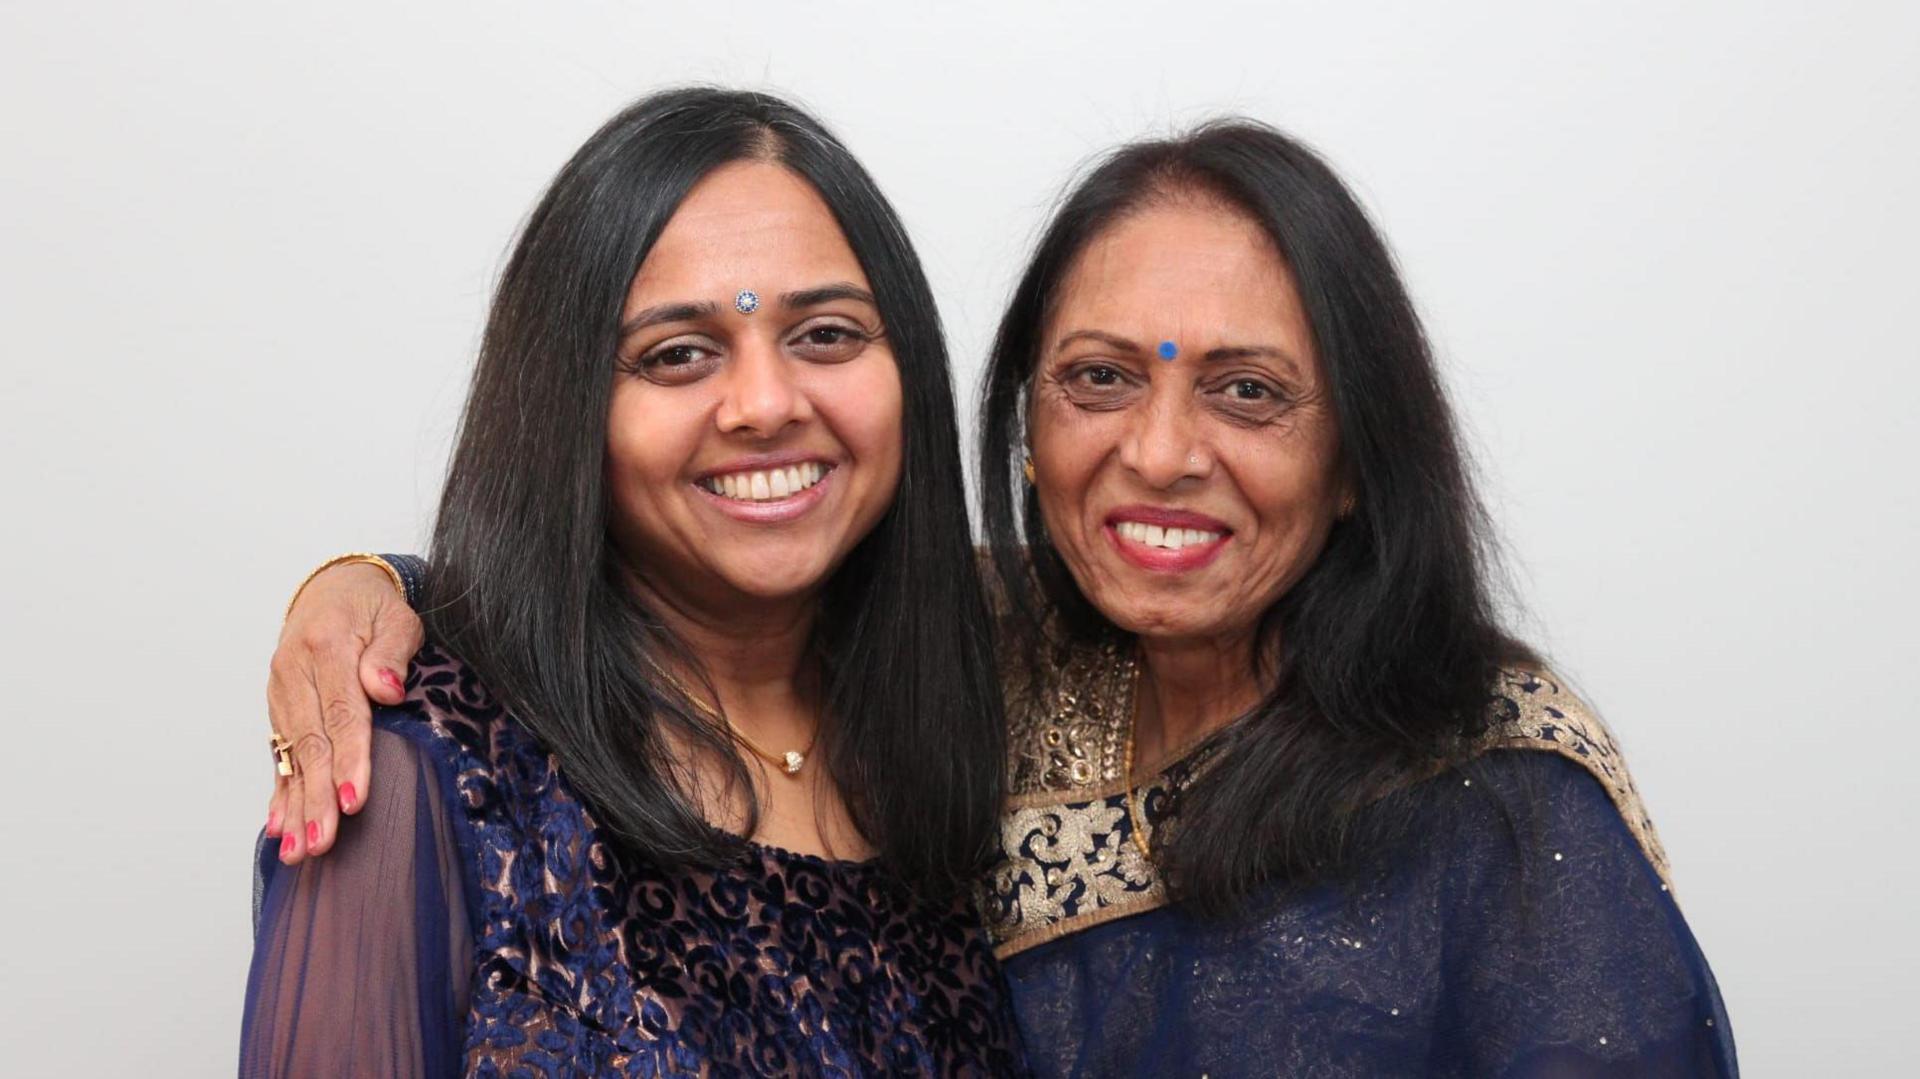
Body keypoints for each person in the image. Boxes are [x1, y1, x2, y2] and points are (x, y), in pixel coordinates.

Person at [266, 120, 1737, 1076]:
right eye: (1101, 377)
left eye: (1249, 390)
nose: (1161, 452)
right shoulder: (973, 672)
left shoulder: (1498, 806)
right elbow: (635, 579)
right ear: (1027, 424)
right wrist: (376, 589)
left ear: (1360, 454)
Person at [240, 87, 1025, 1076]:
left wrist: (367, 575)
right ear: (566, 407)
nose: (767, 403)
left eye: (825, 333)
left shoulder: (967, 709)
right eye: (678, 353)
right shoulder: (427, 773)